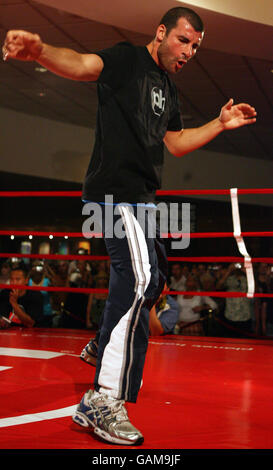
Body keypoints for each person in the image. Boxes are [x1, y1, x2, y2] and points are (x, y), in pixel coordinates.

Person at [2, 6, 257, 446]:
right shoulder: (126, 60)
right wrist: (41, 50)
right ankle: (103, 399)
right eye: (183, 40)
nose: (189, 52)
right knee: (139, 279)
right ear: (161, 33)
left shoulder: (169, 91)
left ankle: (102, 347)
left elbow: (174, 144)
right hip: (113, 192)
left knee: (153, 278)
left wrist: (218, 122)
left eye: (196, 46)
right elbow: (84, 65)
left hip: (142, 200)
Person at [216, 263, 253, 337]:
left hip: (245, 315)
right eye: (236, 264)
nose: (238, 267)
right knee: (230, 341)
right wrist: (228, 271)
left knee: (245, 343)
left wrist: (248, 273)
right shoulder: (229, 278)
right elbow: (218, 286)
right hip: (230, 315)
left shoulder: (248, 278)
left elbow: (255, 288)